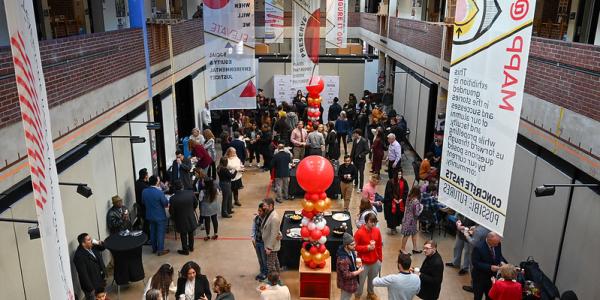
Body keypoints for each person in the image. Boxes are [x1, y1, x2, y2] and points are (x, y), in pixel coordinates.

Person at [354, 213, 383, 300]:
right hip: (363, 263)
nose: (373, 224)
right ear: (366, 221)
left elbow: (379, 246)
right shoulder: (359, 233)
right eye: (371, 222)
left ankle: (370, 293)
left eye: (375, 222)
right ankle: (357, 296)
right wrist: (366, 248)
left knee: (372, 280)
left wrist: (380, 259)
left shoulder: (377, 231)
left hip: (375, 261)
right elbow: (354, 246)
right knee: (360, 282)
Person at [472, 232, 507, 300]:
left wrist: (502, 262)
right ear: (489, 240)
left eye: (497, 243)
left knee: (490, 297)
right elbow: (475, 263)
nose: (497, 245)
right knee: (478, 297)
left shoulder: (498, 244)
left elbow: (499, 255)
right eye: (495, 243)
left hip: (492, 278)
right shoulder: (478, 247)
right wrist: (490, 267)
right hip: (480, 278)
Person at [169, 180, 198, 255]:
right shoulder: (190, 193)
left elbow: (171, 212)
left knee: (183, 234)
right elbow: (196, 203)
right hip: (190, 217)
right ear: (182, 186)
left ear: (175, 188)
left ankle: (185, 250)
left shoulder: (173, 198)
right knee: (191, 232)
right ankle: (191, 247)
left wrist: (174, 218)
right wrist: (191, 209)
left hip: (180, 219)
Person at [74, 233, 106, 300]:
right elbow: (83, 274)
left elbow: (103, 247)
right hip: (91, 286)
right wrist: (91, 289)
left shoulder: (92, 246)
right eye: (88, 240)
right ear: (83, 244)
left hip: (99, 280)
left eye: (90, 239)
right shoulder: (79, 256)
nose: (91, 241)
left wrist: (99, 242)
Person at [143, 176, 170, 256]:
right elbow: (165, 204)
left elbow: (143, 202)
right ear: (156, 182)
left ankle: (154, 249)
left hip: (150, 215)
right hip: (160, 216)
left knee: (153, 232)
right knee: (160, 233)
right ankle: (160, 250)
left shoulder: (144, 191)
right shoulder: (159, 192)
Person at [336, 233, 364, 300]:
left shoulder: (351, 251)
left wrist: (357, 265)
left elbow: (351, 263)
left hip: (352, 281)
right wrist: (358, 271)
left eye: (354, 243)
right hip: (346, 284)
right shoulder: (343, 260)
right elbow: (346, 275)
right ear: (346, 246)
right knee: (345, 298)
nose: (354, 246)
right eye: (352, 245)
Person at [261, 198, 282, 274]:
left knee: (270, 265)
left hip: (272, 247)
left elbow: (274, 234)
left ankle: (273, 281)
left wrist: (269, 247)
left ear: (271, 206)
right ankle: (278, 277)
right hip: (270, 244)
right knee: (275, 262)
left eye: (265, 206)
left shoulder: (274, 218)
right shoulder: (269, 214)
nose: (263, 207)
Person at [401, 187, 423, 254]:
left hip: (407, 218)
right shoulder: (416, 201)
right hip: (412, 221)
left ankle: (415, 248)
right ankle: (402, 249)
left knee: (413, 233)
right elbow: (416, 213)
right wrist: (421, 208)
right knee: (407, 235)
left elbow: (407, 207)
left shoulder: (409, 198)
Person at [252, 203, 269, 281]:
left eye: (260, 211)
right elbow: (254, 228)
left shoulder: (267, 220)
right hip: (257, 241)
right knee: (260, 259)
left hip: (264, 243)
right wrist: (253, 238)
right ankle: (262, 271)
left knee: (264, 259)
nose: (259, 212)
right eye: (258, 211)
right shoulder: (256, 219)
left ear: (264, 211)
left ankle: (265, 273)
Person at [134, 168, 150, 237]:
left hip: (140, 205)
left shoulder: (137, 183)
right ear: (145, 176)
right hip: (144, 206)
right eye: (147, 174)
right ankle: (147, 237)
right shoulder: (144, 186)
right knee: (147, 223)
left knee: (145, 222)